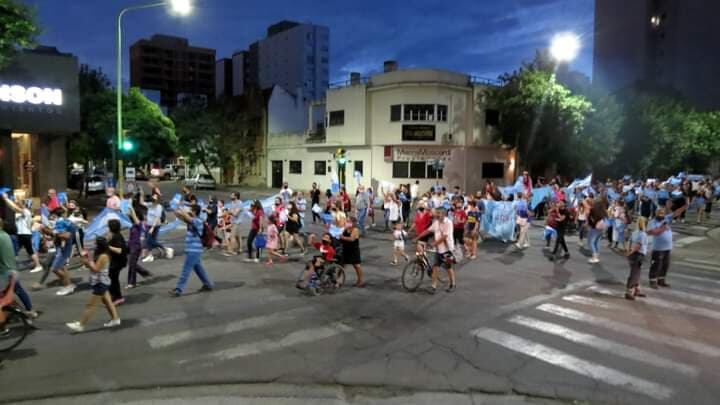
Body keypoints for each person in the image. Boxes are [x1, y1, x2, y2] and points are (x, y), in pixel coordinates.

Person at [65, 237, 121, 332]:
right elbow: (90, 266)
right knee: (107, 302)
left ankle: (81, 325)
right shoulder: (100, 254)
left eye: (95, 244)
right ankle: (115, 319)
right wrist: (85, 258)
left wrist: (87, 261)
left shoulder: (103, 256)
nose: (94, 245)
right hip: (101, 282)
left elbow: (96, 269)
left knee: (91, 305)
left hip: (101, 283)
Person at [169, 204, 214, 296]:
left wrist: (183, 209)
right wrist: (174, 208)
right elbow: (180, 216)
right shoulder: (191, 221)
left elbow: (186, 216)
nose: (189, 211)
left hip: (194, 250)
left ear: (194, 211)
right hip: (192, 249)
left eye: (191, 210)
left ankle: (178, 289)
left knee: (186, 269)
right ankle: (208, 284)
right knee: (198, 268)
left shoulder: (198, 221)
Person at [35, 208, 76, 295]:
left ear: (55, 215)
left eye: (52, 216)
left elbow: (64, 236)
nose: (51, 218)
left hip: (63, 249)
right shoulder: (66, 221)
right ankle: (69, 285)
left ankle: (67, 286)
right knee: (61, 268)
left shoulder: (61, 222)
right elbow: (59, 235)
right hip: (62, 248)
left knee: (55, 268)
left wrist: (49, 231)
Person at [415, 208, 456, 294]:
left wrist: (434, 244)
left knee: (448, 267)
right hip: (438, 249)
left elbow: (444, 237)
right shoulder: (436, 222)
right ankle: (433, 286)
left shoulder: (448, 223)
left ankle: (453, 284)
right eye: (436, 213)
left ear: (444, 214)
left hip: (447, 249)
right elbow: (428, 231)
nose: (436, 214)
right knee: (435, 267)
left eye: (439, 213)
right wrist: (417, 237)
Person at [647, 204, 687, 289]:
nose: (661, 215)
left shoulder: (666, 218)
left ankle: (661, 280)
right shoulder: (652, 222)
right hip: (658, 248)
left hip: (667, 248)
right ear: (656, 213)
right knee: (656, 265)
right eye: (659, 213)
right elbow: (651, 232)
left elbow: (676, 213)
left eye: (662, 213)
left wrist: (685, 206)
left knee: (665, 265)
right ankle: (653, 281)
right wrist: (663, 228)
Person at [2, 193, 42, 272]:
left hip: (25, 234)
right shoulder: (20, 212)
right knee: (15, 250)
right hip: (21, 234)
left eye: (21, 203)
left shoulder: (26, 212)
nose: (18, 203)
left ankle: (38, 265)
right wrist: (6, 200)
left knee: (29, 251)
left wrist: (6, 199)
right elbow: (13, 207)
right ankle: (11, 266)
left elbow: (15, 207)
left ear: (25, 205)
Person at [142, 192, 173, 262]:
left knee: (149, 240)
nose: (153, 199)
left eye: (155, 198)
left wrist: (152, 228)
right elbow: (141, 203)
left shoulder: (159, 207)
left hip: (155, 226)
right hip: (148, 224)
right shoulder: (150, 204)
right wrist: (141, 193)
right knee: (149, 241)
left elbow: (157, 218)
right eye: (152, 198)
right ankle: (150, 255)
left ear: (157, 200)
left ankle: (166, 249)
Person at [126, 207, 152, 289]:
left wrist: (132, 210)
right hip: (131, 246)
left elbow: (135, 218)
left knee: (132, 264)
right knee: (131, 264)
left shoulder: (142, 225)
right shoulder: (135, 224)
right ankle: (143, 272)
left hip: (136, 247)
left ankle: (131, 283)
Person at [625, 217, 648, 300]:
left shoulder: (634, 232)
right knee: (635, 274)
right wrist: (630, 252)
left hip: (633, 255)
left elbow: (629, 242)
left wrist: (628, 251)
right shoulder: (643, 234)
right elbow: (638, 246)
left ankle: (637, 290)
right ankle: (629, 291)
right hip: (638, 255)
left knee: (636, 273)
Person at [107, 219, 128, 305]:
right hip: (115, 261)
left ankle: (117, 297)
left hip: (117, 262)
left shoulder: (117, 237)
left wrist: (107, 246)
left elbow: (119, 250)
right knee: (112, 279)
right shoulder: (115, 235)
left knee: (112, 279)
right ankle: (115, 296)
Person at [340, 217, 364, 287]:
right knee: (342, 265)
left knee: (356, 265)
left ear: (353, 223)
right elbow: (339, 234)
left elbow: (352, 239)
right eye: (346, 221)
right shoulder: (345, 229)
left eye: (348, 221)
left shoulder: (355, 230)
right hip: (345, 249)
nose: (346, 222)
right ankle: (339, 280)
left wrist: (342, 237)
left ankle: (360, 281)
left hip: (353, 250)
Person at [587, 195, 607, 264]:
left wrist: (589, 222)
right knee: (597, 241)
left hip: (595, 227)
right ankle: (597, 255)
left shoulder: (593, 210)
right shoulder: (603, 210)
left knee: (591, 242)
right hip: (601, 227)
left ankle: (594, 257)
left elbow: (591, 219)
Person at [224, 192, 244, 256]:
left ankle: (232, 251)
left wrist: (230, 211)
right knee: (238, 236)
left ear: (236, 196)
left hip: (237, 222)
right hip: (233, 222)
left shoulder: (240, 203)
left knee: (232, 236)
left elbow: (235, 214)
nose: (230, 196)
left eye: (232, 195)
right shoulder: (232, 203)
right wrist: (229, 212)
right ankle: (240, 249)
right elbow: (230, 211)